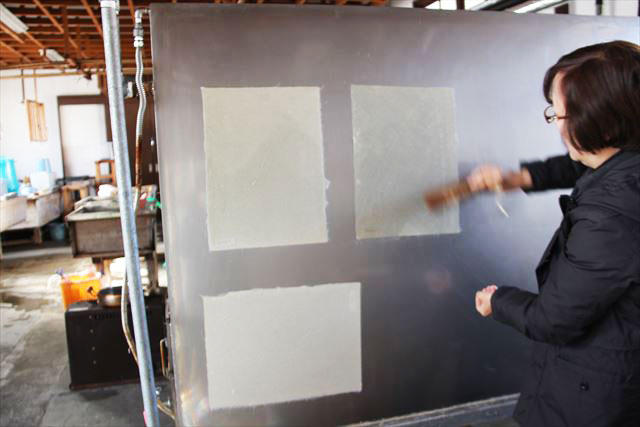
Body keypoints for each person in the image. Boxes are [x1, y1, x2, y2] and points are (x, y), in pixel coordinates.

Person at [469, 40, 640, 426]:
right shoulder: (625, 154)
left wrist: (497, 301)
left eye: (559, 114)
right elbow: (579, 163)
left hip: (597, 391)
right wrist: (514, 178)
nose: (557, 125)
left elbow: (555, 319)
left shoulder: (610, 219)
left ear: (600, 121)